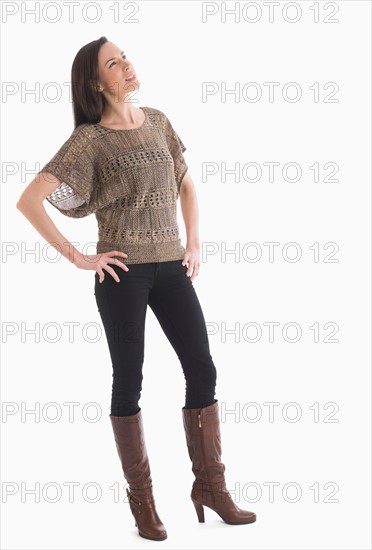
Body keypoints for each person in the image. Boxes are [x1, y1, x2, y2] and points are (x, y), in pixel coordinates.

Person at [16, 36, 257, 541]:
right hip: (122, 275)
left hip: (171, 268)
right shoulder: (89, 140)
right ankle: (143, 505)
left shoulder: (160, 121)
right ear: (94, 82)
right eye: (113, 63)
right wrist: (78, 255)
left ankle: (210, 487)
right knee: (130, 378)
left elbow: (186, 183)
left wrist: (193, 243)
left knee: (202, 367)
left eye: (125, 57)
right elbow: (30, 199)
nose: (126, 66)